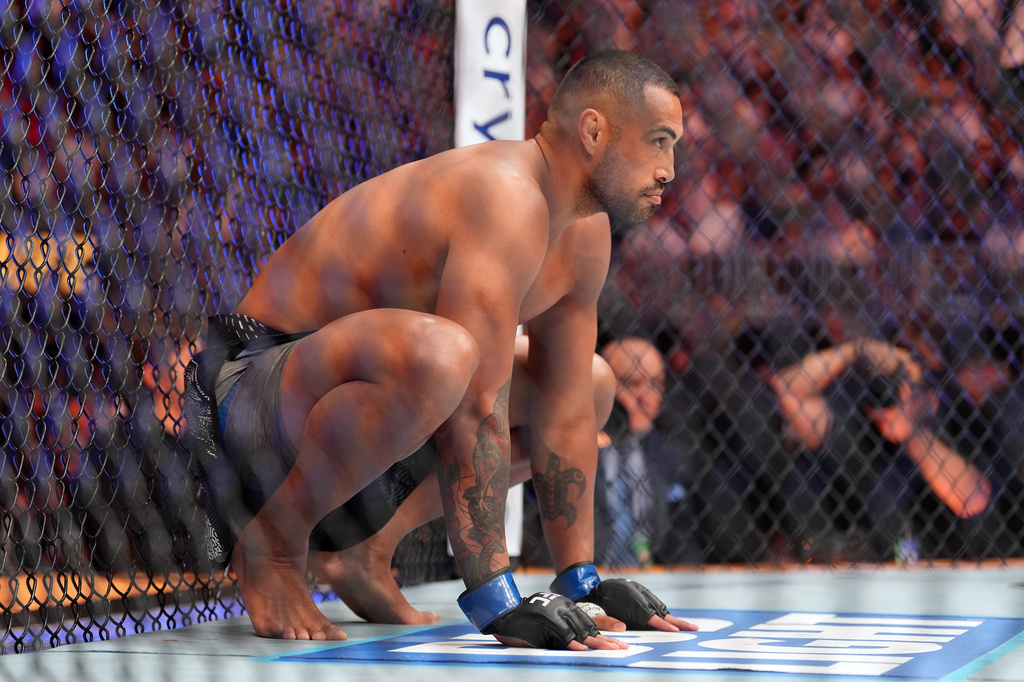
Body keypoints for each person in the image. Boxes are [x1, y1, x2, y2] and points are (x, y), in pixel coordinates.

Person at [183, 50, 695, 648]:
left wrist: (580, 579)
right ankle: (271, 543)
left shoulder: (586, 234)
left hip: (365, 413)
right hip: (254, 387)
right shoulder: (506, 194)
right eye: (659, 142)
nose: (670, 169)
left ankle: (365, 551)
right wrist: (494, 599)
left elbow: (567, 409)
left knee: (593, 380)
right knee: (448, 356)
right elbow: (476, 407)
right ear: (593, 130)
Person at [595, 336, 694, 567]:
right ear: (601, 385)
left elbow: (686, 541)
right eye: (633, 383)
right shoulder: (571, 450)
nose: (646, 397)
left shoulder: (672, 457)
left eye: (656, 384)